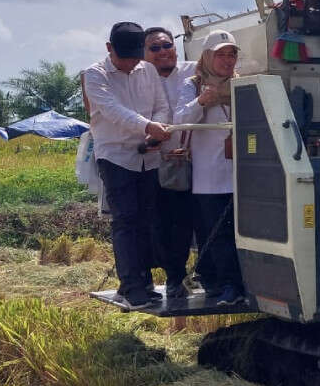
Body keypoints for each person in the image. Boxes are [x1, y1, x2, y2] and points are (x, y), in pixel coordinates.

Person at [82, 21, 170, 309]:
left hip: (149, 155)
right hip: (116, 155)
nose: (132, 65)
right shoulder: (95, 76)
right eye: (126, 59)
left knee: (147, 219)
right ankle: (131, 285)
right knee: (126, 219)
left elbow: (161, 105)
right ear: (109, 49)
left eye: (136, 58)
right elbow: (112, 111)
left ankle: (143, 283)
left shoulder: (148, 70)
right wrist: (148, 126)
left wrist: (156, 130)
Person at [174, 29, 245, 305]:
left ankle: (233, 285)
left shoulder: (243, 85)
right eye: (221, 55)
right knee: (213, 234)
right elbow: (179, 119)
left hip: (240, 174)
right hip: (207, 175)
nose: (227, 61)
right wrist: (202, 101)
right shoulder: (193, 85)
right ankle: (218, 284)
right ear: (206, 57)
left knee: (233, 233)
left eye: (232, 54)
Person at [143, 26, 195, 300]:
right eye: (155, 48)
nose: (163, 52)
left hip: (192, 162)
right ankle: (172, 278)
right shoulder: (138, 81)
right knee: (159, 224)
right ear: (144, 54)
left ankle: (185, 277)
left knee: (187, 223)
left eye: (167, 45)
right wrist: (158, 150)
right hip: (153, 162)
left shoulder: (193, 70)